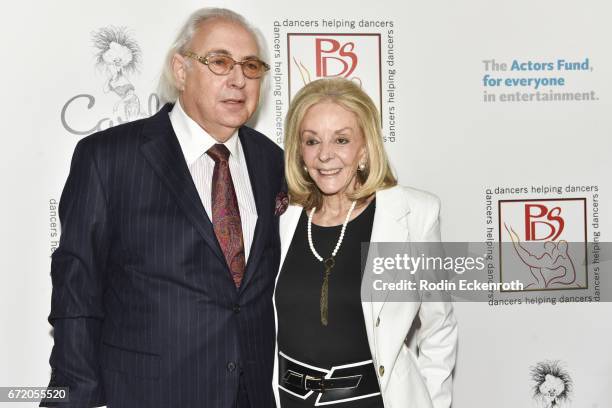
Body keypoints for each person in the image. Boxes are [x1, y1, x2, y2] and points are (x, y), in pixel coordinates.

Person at [43, 8, 283, 408]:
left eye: (251, 65)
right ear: (181, 69)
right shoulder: (108, 158)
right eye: (220, 62)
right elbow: (76, 295)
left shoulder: (272, 162)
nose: (239, 79)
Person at [273, 78, 457, 407]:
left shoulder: (413, 215)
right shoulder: (279, 217)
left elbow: (438, 327)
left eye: (341, 139)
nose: (325, 155)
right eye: (312, 141)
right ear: (299, 152)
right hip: (289, 399)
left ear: (364, 147)